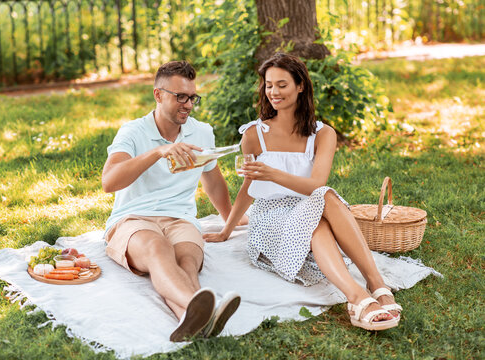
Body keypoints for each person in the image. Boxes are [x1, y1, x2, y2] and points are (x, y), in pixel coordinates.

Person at [203, 53, 402, 331]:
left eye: (282, 84)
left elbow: (316, 185)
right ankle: (359, 296)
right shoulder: (253, 134)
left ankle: (373, 284)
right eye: (269, 85)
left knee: (325, 198)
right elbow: (249, 187)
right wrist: (227, 229)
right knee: (319, 218)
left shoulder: (323, 134)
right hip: (271, 215)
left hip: (311, 204)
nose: (273, 92)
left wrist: (272, 173)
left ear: (300, 86)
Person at [102, 61, 244, 341]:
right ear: (158, 95)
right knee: (158, 249)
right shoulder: (132, 132)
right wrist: (158, 152)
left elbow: (213, 180)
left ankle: (191, 322)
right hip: (135, 219)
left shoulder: (202, 132)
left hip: (181, 220)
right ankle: (207, 309)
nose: (188, 104)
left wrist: (230, 218)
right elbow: (109, 181)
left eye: (192, 97)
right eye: (180, 96)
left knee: (187, 262)